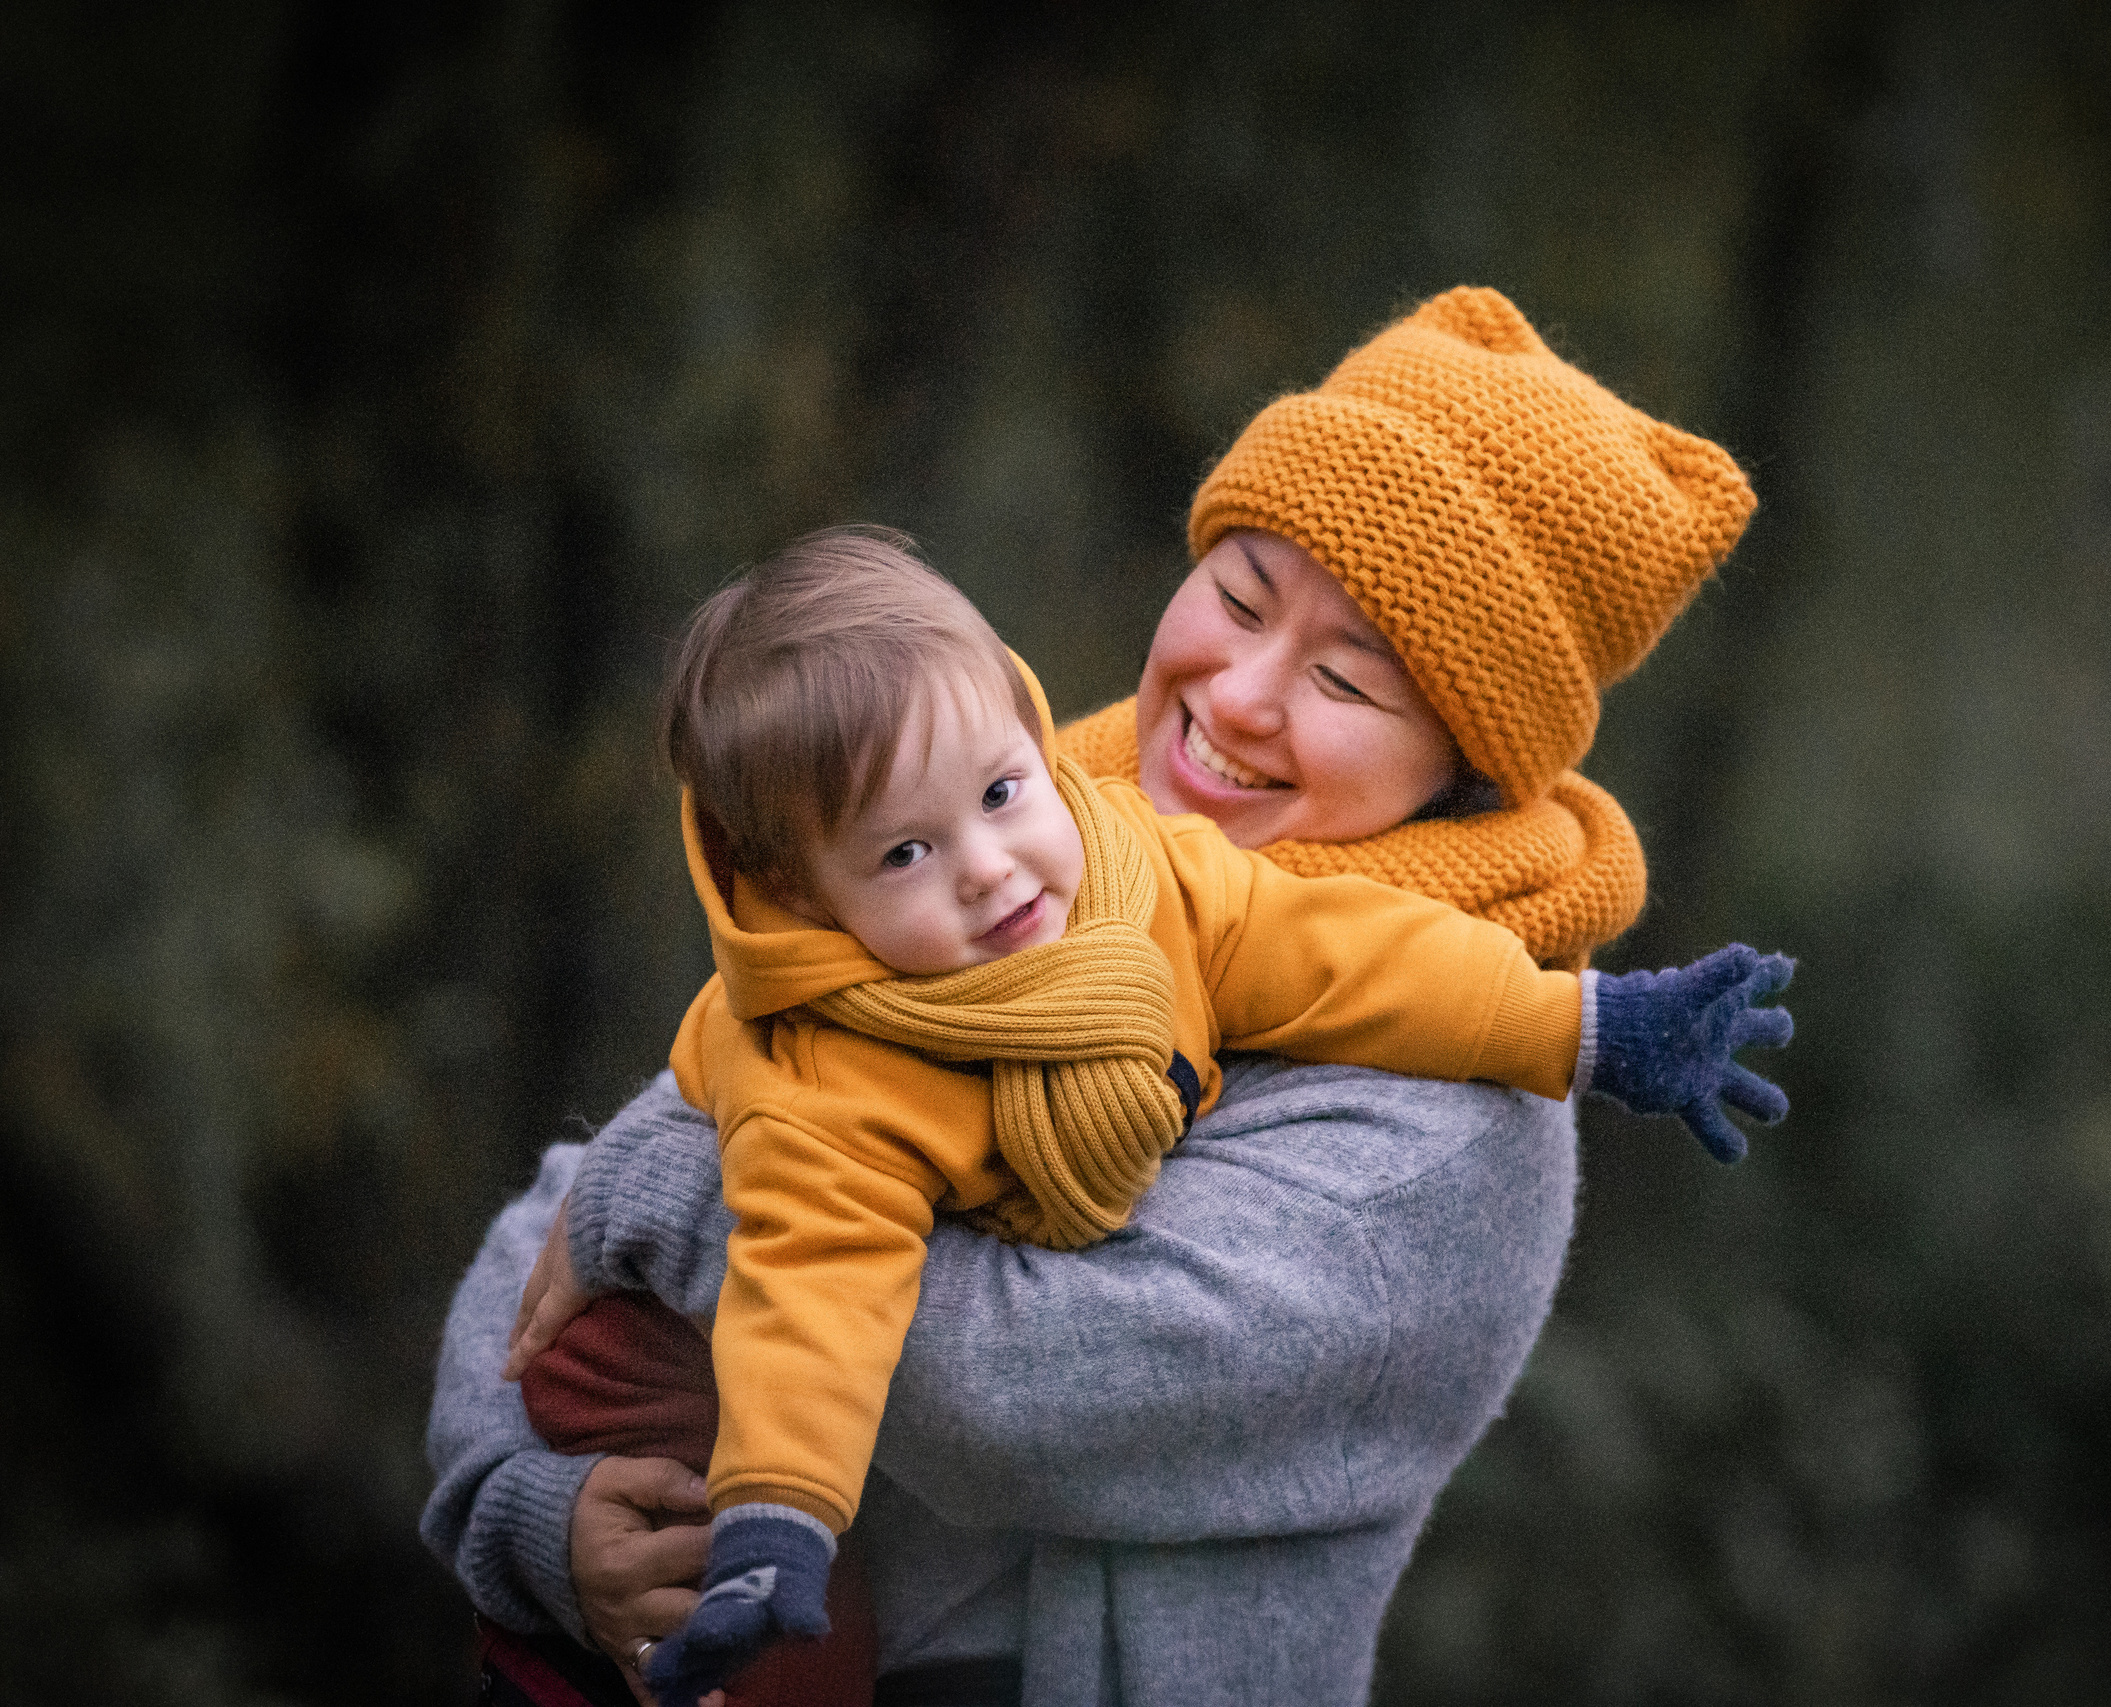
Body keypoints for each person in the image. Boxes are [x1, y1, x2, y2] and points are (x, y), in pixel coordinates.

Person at [425, 285, 1782, 1706]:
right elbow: (544, 1234)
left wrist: (667, 1185)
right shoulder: (1001, 837)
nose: (1240, 694)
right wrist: (539, 1527)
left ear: (1467, 766)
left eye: (1343, 681)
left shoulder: (1452, 1127)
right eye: (1239, 599)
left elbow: (1006, 1397)